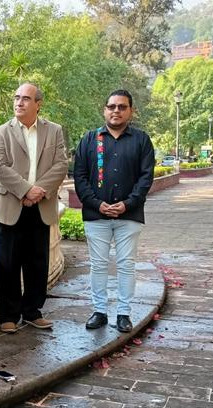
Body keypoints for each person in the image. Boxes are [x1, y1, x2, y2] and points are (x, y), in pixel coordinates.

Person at [73, 89, 155, 333]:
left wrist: (127, 203)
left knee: (126, 264)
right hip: (96, 215)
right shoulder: (89, 140)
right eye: (112, 106)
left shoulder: (141, 140)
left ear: (131, 111)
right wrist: (97, 204)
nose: (116, 111)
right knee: (98, 265)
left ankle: (123, 313)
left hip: (128, 216)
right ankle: (99, 311)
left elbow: (145, 177)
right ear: (104, 110)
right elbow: (79, 176)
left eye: (122, 107)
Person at [0, 83, 68, 334]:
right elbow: (0, 167)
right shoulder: (2, 132)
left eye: (25, 99)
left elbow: (60, 165)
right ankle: (8, 315)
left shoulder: (53, 131)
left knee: (37, 262)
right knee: (7, 263)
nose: (19, 103)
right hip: (10, 205)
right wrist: (25, 190)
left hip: (41, 205)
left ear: (38, 104)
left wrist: (38, 191)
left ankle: (33, 311)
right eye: (16, 98)